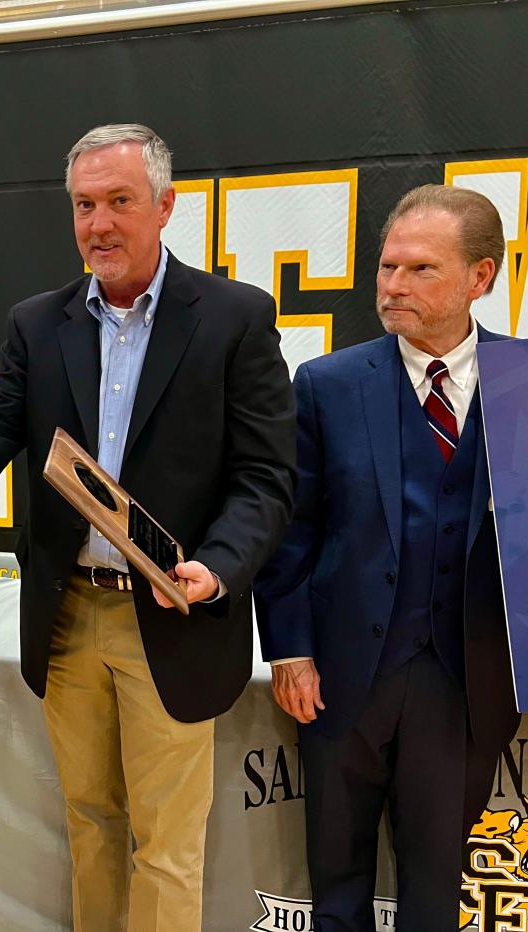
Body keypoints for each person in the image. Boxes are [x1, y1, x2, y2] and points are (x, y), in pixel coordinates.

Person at [0, 123, 296, 930]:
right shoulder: (40, 323)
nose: (98, 224)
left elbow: (266, 476)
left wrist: (217, 563)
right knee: (90, 827)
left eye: (118, 202)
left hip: (173, 618)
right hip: (67, 619)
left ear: (166, 206)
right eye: (83, 206)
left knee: (167, 845)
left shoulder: (234, 319)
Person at [254, 185, 521, 931]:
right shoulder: (328, 385)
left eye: (421, 270)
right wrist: (291, 651)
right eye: (387, 267)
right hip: (342, 678)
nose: (394, 286)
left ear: (481, 277)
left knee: (434, 894)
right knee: (335, 885)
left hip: (466, 682)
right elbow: (290, 532)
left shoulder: (524, 384)